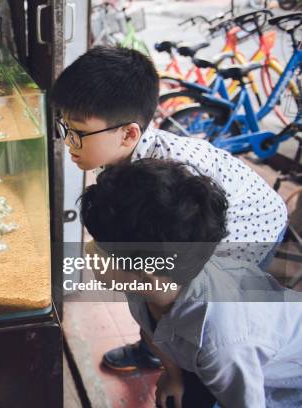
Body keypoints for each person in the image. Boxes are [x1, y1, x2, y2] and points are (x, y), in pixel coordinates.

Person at [51, 45, 288, 371]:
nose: (67, 142)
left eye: (77, 133)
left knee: (205, 308)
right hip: (209, 223)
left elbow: (164, 277)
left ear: (128, 133)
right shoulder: (121, 155)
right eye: (63, 127)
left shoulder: (167, 180)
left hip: (252, 225)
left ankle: (196, 369)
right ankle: (158, 350)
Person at [79, 159, 302, 407]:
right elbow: (152, 331)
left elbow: (246, 401)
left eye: (98, 246)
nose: (88, 250)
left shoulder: (222, 343)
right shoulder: (146, 285)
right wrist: (173, 375)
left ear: (144, 272)